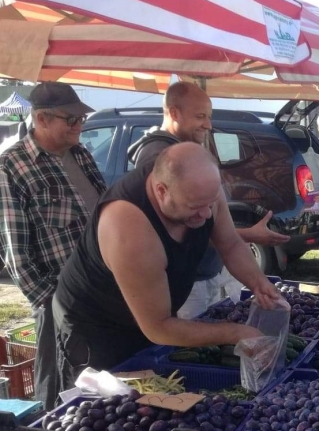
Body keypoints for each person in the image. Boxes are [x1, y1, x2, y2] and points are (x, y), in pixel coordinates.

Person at [53, 143, 284, 382]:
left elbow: (230, 244)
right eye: (195, 207)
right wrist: (237, 333)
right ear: (162, 191)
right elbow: (159, 327)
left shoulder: (199, 191)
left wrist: (259, 283)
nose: (206, 214)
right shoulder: (129, 228)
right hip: (98, 331)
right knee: (113, 399)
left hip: (154, 319)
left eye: (211, 203)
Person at [0, 82, 106, 408]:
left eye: (81, 118)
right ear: (41, 119)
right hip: (60, 303)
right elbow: (13, 250)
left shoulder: (81, 155)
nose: (79, 125)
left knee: (100, 390)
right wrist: (55, 303)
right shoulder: (12, 166)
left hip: (102, 292)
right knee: (60, 394)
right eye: (71, 119)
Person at [128, 82, 288, 319]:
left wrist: (259, 283)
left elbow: (227, 240)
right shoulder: (159, 160)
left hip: (204, 275)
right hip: (185, 284)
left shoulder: (189, 153)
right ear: (174, 113)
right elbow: (181, 235)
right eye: (200, 116)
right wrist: (249, 235)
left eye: (209, 117)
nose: (208, 125)